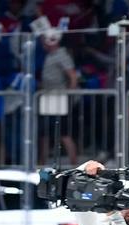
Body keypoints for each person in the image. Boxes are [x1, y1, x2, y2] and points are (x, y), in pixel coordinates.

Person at [38, 28, 78, 165]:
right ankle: (42, 162)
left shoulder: (62, 55)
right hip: (48, 99)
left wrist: (69, 96)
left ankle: (73, 162)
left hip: (59, 99)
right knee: (45, 133)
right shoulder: (49, 55)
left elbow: (72, 76)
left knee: (64, 132)